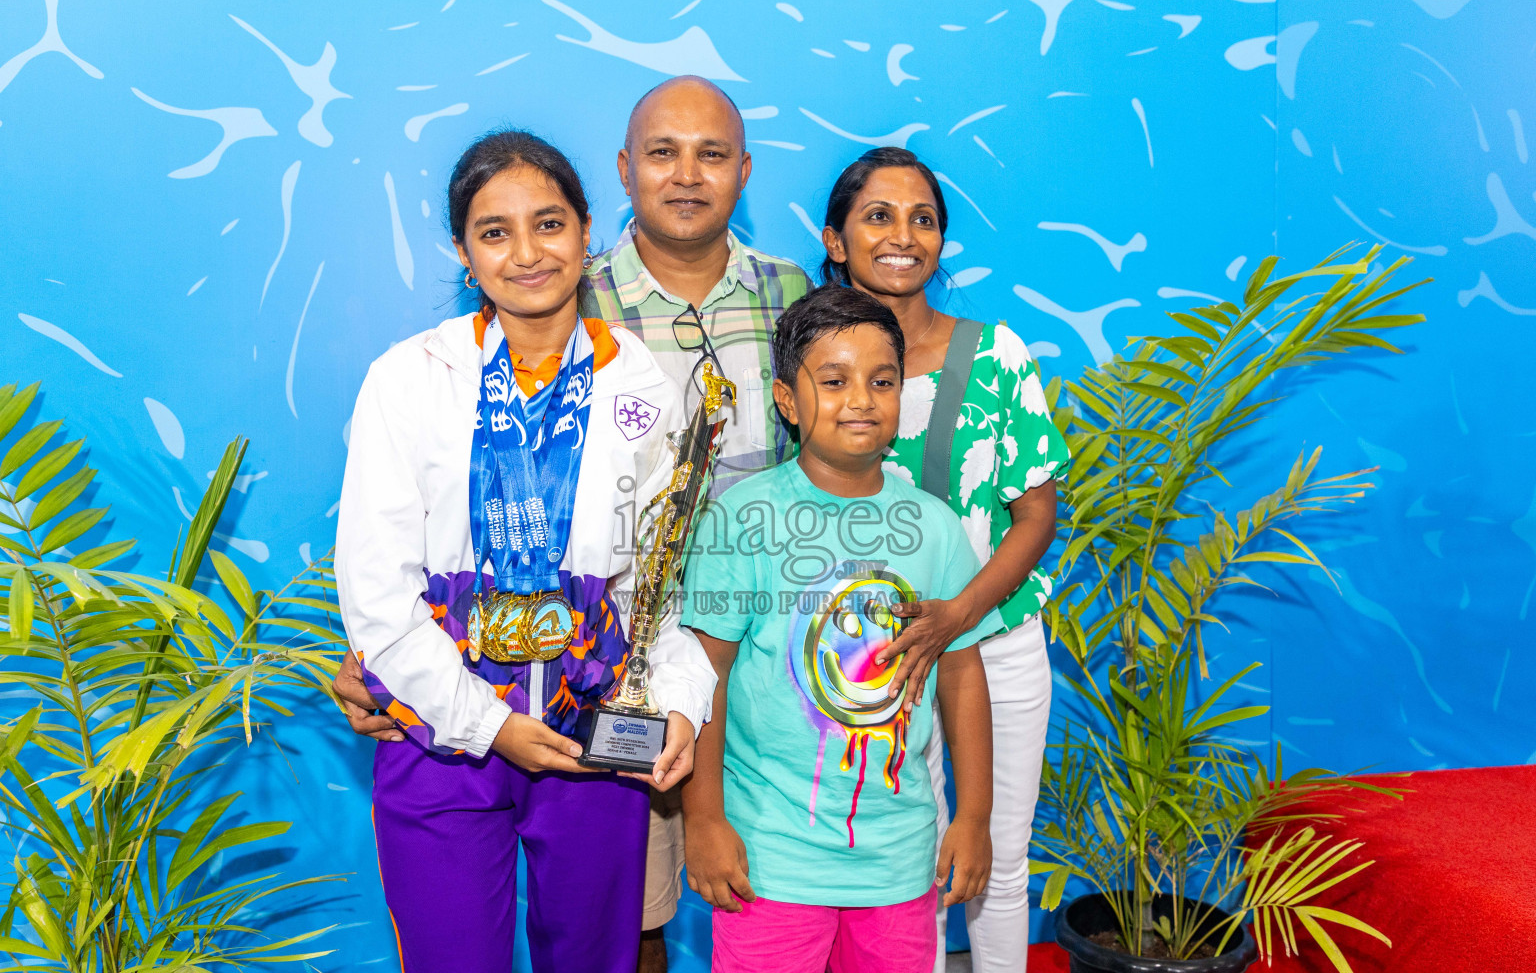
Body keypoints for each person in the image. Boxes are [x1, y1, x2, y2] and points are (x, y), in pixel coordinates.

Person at [333, 76, 810, 973]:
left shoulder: (643, 385)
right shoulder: (409, 381)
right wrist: (485, 723)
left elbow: (660, 588)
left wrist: (674, 705)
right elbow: (376, 588)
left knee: (599, 958)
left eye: (549, 224)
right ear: (463, 250)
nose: (526, 253)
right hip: (444, 736)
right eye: (494, 232)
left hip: (596, 733)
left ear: (586, 231)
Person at [678, 287, 1000, 973]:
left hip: (897, 863)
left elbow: (964, 676)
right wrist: (703, 819)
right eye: (833, 380)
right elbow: (705, 673)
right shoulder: (741, 518)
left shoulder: (935, 528)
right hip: (769, 861)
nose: (860, 398)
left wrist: (973, 818)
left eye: (881, 381)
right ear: (788, 401)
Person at [817, 147, 1070, 973]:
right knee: (906, 864)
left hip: (993, 646)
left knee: (994, 851)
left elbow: (1036, 516)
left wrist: (961, 613)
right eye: (878, 216)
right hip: (873, 663)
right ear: (836, 239)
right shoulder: (818, 373)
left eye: (923, 218)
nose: (903, 235)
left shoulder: (996, 354)